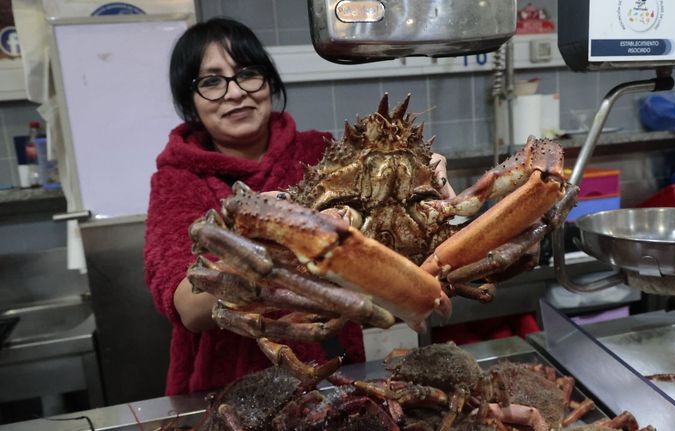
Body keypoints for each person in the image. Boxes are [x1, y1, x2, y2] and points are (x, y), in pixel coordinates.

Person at [144, 17, 454, 396]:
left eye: (248, 73)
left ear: (269, 82)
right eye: (211, 81)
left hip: (335, 378)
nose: (235, 92)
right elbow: (188, 308)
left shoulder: (323, 154)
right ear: (188, 99)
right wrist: (273, 239)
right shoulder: (176, 181)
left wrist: (415, 185)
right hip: (227, 391)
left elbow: (382, 244)